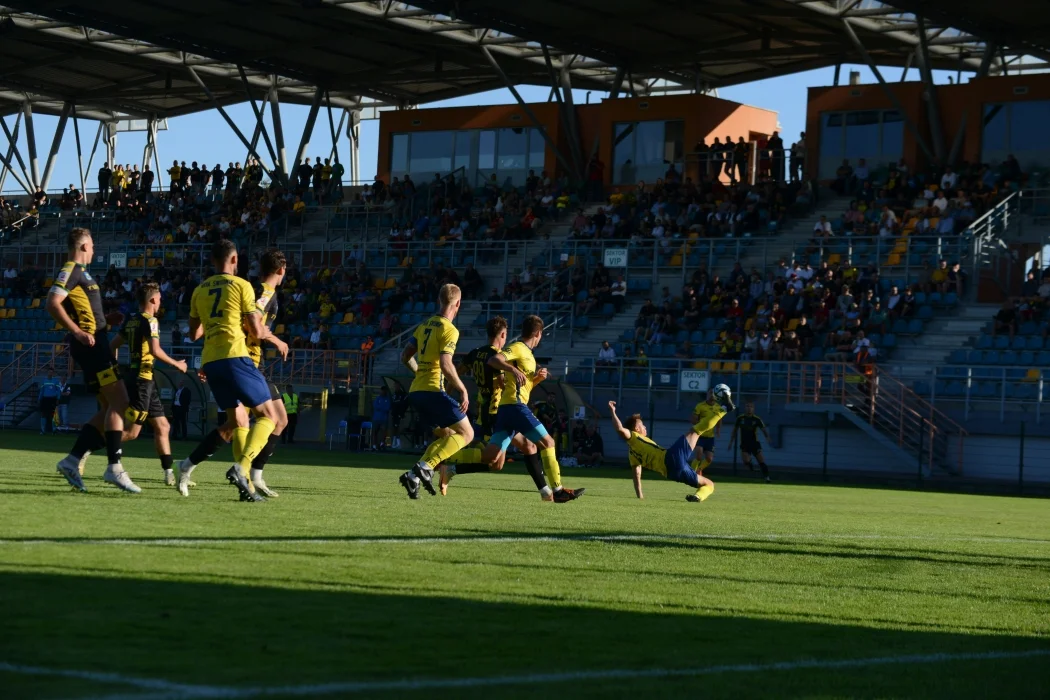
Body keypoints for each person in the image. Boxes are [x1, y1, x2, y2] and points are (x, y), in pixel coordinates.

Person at [176, 240, 284, 501]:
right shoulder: (243, 286)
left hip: (212, 361)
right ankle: (244, 470)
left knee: (237, 422)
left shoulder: (200, 291)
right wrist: (277, 339)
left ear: (212, 260)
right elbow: (255, 329)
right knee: (270, 416)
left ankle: (190, 466)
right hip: (238, 358)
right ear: (234, 260)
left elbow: (193, 332)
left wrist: (217, 322)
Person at [49, 228, 138, 493]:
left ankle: (75, 460)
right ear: (84, 246)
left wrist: (105, 321)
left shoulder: (81, 273)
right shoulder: (72, 269)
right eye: (93, 246)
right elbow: (53, 303)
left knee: (110, 407)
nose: (95, 250)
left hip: (97, 342)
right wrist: (77, 331)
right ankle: (111, 467)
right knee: (120, 403)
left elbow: (83, 309)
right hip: (92, 347)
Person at [439, 317, 550, 497]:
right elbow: (503, 385)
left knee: (520, 451)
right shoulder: (499, 359)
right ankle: (446, 461)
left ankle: (545, 491)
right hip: (498, 411)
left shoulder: (475, 353)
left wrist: (448, 395)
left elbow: (455, 374)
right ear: (503, 334)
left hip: (485, 407)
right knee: (495, 460)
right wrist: (529, 378)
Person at [481, 315, 584, 503]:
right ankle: (558, 490)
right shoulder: (519, 348)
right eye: (541, 335)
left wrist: (537, 379)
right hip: (515, 406)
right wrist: (513, 370)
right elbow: (494, 360)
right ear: (538, 333)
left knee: (491, 456)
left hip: (508, 408)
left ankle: (451, 463)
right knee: (548, 442)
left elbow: (524, 386)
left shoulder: (527, 354)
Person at [397, 283, 475, 500]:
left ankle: (413, 477)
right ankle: (425, 467)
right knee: (468, 434)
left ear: (439, 301)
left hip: (416, 392)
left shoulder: (424, 325)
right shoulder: (449, 329)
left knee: (448, 435)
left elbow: (405, 355)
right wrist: (462, 389)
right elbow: (446, 363)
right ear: (458, 304)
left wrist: (418, 373)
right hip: (433, 391)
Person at [110, 282, 190, 485]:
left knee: (163, 425)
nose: (161, 302)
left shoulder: (130, 320)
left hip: (143, 378)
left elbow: (113, 346)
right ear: (153, 300)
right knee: (132, 432)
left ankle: (169, 473)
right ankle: (85, 449)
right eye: (160, 299)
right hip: (142, 381)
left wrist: (116, 369)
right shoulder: (151, 321)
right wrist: (177, 364)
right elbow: (155, 350)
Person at [607, 400, 717, 503]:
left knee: (709, 484)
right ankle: (723, 409)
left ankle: (697, 497)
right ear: (636, 429)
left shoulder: (632, 455)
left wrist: (640, 496)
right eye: (642, 425)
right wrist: (612, 412)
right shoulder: (634, 437)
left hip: (671, 474)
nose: (645, 427)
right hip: (671, 458)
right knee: (696, 430)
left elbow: (637, 475)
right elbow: (620, 429)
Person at [689, 388, 734, 475]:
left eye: (713, 393)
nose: (711, 395)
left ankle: (699, 469)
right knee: (698, 456)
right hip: (700, 435)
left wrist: (718, 430)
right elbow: (693, 420)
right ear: (707, 394)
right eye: (710, 393)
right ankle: (691, 473)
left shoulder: (718, 407)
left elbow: (719, 419)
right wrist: (703, 424)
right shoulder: (700, 406)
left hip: (710, 437)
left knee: (709, 459)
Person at [729, 401, 772, 482]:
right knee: (746, 461)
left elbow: (764, 430)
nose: (749, 408)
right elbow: (734, 430)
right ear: (745, 408)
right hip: (744, 443)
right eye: (747, 406)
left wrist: (767, 437)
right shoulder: (740, 418)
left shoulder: (757, 419)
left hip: (754, 443)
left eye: (751, 407)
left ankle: (767, 477)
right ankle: (750, 464)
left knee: (761, 461)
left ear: (753, 409)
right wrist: (731, 442)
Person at [38, 368, 63, 434]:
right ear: (47, 373)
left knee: (53, 414)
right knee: (43, 414)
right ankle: (42, 430)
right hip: (45, 399)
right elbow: (41, 391)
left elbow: (58, 391)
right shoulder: (44, 381)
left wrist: (58, 399)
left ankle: (54, 430)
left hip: (53, 399)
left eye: (52, 372)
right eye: (49, 372)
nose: (50, 373)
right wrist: (39, 399)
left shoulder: (56, 381)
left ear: (53, 373)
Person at [371, 385, 392, 450]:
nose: (382, 392)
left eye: (384, 391)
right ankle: (374, 445)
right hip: (376, 418)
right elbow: (375, 406)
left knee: (385, 432)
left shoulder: (388, 399)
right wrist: (382, 408)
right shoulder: (378, 398)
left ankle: (383, 444)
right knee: (374, 432)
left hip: (384, 419)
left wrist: (380, 408)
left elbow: (387, 408)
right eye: (382, 390)